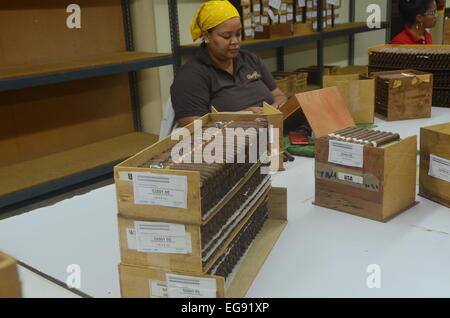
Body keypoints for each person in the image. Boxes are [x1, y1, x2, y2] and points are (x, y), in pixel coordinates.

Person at [170, 0, 287, 127]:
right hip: (230, 141)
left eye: (238, 34)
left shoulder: (249, 59)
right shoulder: (191, 75)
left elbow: (278, 95)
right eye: (226, 36)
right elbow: (193, 127)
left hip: (271, 130)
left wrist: (277, 106)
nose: (235, 41)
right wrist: (238, 118)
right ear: (206, 36)